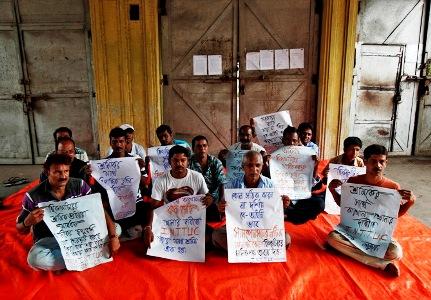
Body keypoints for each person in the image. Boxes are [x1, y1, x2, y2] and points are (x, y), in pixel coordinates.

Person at [16, 154, 120, 271]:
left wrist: (113, 236)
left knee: (117, 228)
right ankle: (86, 257)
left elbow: (100, 210)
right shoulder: (33, 196)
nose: (63, 176)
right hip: (50, 239)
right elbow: (19, 228)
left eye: (66, 171)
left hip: (82, 233)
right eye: (57, 172)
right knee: (35, 259)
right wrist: (27, 222)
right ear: (47, 172)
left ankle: (70, 260)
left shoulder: (80, 185)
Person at [327, 144, 415, 277]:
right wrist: (332, 190)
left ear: (386, 163)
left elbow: (393, 215)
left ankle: (348, 251)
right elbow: (344, 206)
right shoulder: (354, 181)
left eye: (382, 161)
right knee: (332, 238)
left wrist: (410, 202)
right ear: (366, 162)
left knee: (396, 253)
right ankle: (381, 264)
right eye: (374, 161)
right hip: (352, 231)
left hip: (377, 234)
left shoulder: (393, 187)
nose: (378, 165)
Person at [211, 150, 291, 251]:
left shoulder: (270, 185)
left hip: (263, 228)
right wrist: (221, 208)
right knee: (216, 236)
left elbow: (274, 213)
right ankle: (258, 250)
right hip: (239, 228)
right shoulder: (232, 185)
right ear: (242, 167)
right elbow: (225, 210)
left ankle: (243, 250)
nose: (254, 169)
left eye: (258, 165)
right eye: (249, 165)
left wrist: (282, 205)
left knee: (286, 238)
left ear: (262, 166)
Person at [142, 145, 213, 251]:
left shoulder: (197, 176)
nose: (179, 164)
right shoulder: (161, 180)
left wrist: (209, 200)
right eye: (175, 160)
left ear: (188, 161)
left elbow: (207, 196)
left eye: (183, 160)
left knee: (208, 239)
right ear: (170, 162)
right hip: (169, 220)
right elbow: (153, 207)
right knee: (153, 242)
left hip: (192, 221)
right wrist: (148, 227)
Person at [91, 127, 151, 241]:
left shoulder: (135, 161)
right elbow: (99, 188)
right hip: (114, 204)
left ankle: (134, 230)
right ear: (110, 143)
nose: (118, 145)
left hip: (134, 202)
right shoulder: (103, 164)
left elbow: (145, 184)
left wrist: (141, 169)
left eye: (121, 141)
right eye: (115, 141)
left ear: (126, 142)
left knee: (147, 209)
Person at [189, 135, 226, 221]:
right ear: (193, 149)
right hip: (194, 201)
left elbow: (222, 183)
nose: (202, 148)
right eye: (198, 146)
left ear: (208, 147)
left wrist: (221, 202)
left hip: (214, 201)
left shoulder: (216, 162)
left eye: (204, 145)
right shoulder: (189, 163)